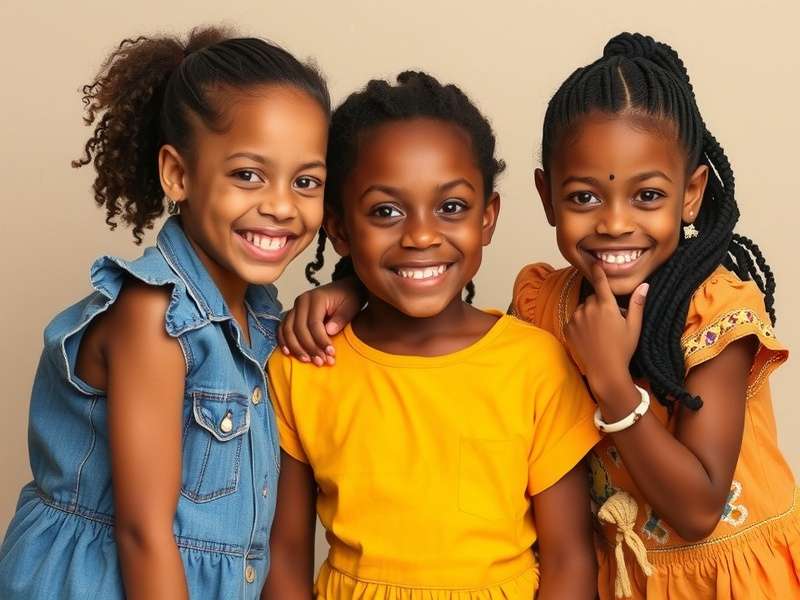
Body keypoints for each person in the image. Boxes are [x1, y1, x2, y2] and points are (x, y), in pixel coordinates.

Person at [278, 33, 799, 600]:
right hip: (621, 579)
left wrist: (611, 381)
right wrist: (355, 288)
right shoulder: (545, 305)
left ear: (691, 194)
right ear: (547, 197)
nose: (615, 224)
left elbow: (699, 510)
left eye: (648, 196)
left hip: (728, 581)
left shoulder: (714, 311)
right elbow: (445, 337)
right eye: (584, 198)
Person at [0, 27, 330, 600]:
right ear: (178, 174)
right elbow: (143, 534)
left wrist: (346, 293)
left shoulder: (264, 325)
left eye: (306, 181)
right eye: (248, 175)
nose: (281, 205)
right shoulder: (155, 317)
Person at [263, 71, 599, 599]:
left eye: (451, 207)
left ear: (487, 218)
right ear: (340, 228)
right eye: (386, 211)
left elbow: (570, 560)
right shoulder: (302, 367)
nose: (421, 235)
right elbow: (282, 558)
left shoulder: (536, 364)